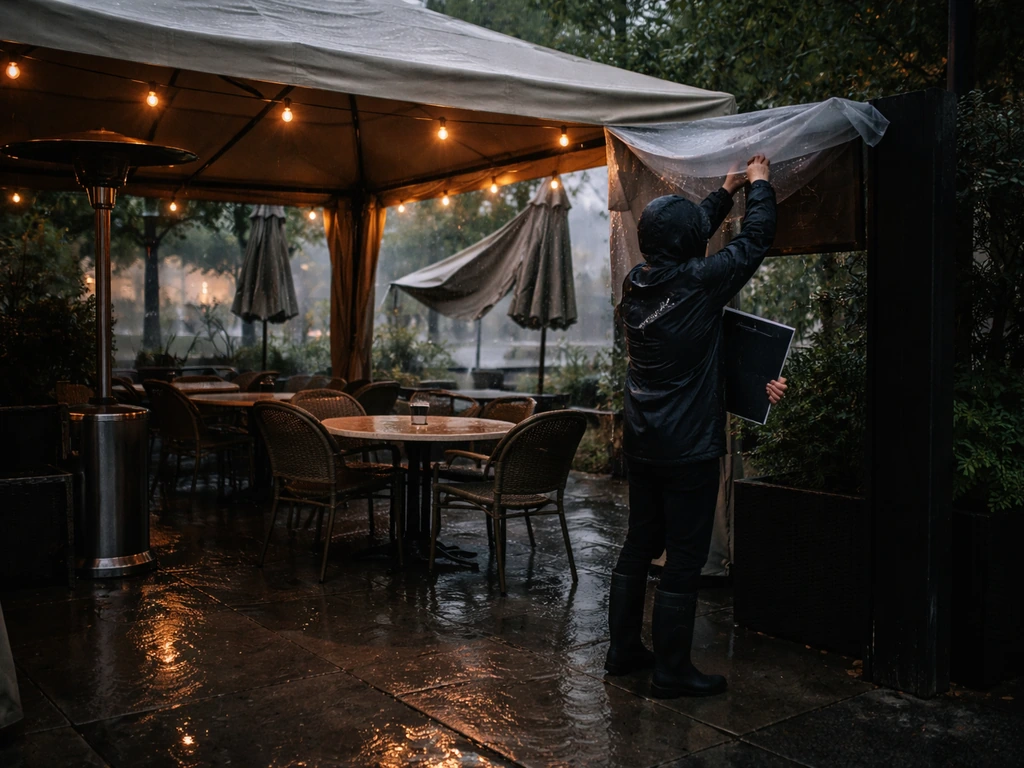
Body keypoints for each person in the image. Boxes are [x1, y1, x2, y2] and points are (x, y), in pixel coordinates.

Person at [605, 154, 786, 698]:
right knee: (683, 556)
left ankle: (622, 651)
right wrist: (758, 187)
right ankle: (672, 670)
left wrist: (723, 192)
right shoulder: (700, 284)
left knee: (639, 544)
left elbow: (682, 237)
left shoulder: (636, 284)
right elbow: (753, 242)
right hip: (689, 448)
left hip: (643, 441)